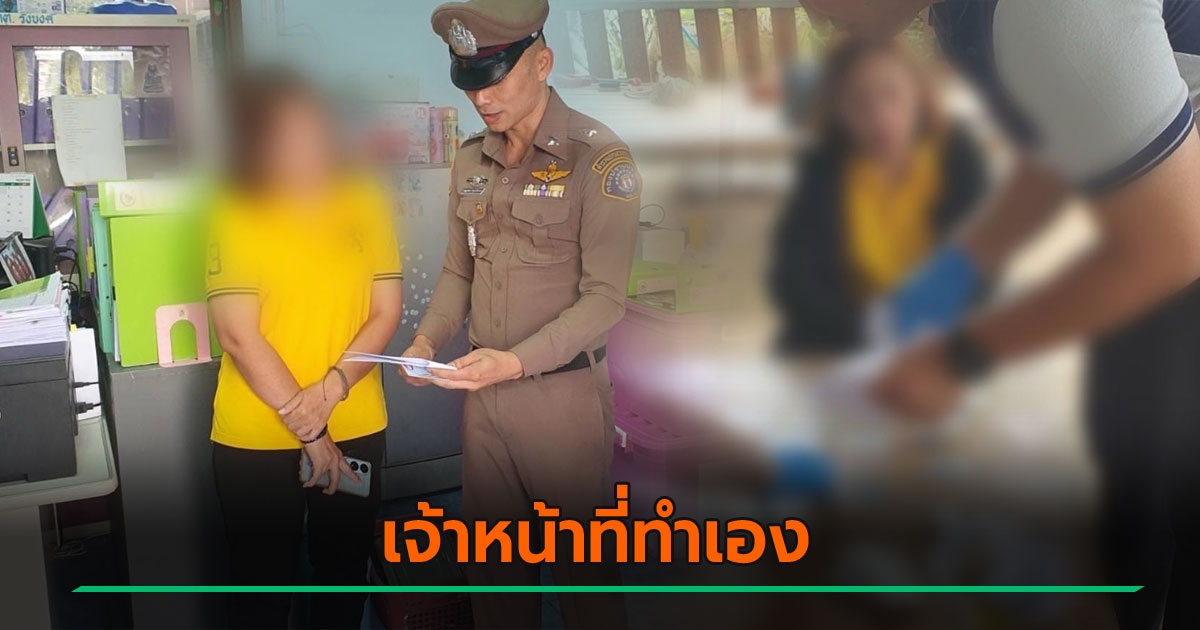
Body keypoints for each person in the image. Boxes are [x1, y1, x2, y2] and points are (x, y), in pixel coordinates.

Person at [801, 0, 1200, 627]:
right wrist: (957, 272)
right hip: (1158, 227)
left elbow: (1174, 245)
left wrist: (959, 358)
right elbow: (1064, 139)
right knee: (1128, 481)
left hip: (1177, 236)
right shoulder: (965, 13)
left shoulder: (1050, 10)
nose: (808, 12)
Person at [400, 1, 639, 627]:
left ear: (542, 63)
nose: (481, 97)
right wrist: (426, 341)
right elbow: (459, 271)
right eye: (470, 80)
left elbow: (605, 299)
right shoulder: (470, 159)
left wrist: (514, 362)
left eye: (496, 78)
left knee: (585, 583)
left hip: (562, 403)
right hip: (484, 404)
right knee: (496, 578)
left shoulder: (598, 159)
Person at [205, 71, 403, 629]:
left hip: (355, 424)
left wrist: (331, 391)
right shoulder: (235, 208)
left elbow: (386, 312)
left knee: (343, 575)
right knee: (261, 588)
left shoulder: (366, 200)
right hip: (256, 437)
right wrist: (311, 429)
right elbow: (237, 334)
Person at [771, 36, 989, 354]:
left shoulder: (958, 157)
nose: (879, 116)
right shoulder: (822, 169)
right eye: (858, 101)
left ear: (918, 94)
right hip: (841, 342)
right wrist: (872, 328)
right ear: (837, 110)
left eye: (891, 94)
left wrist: (925, 331)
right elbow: (793, 281)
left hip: (942, 341)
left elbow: (984, 267)